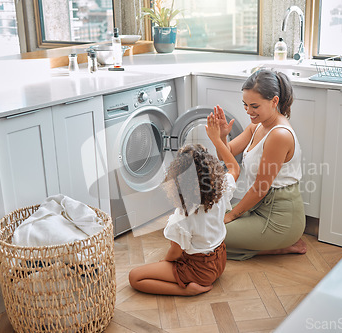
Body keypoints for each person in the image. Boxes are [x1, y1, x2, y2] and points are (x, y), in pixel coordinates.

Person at [128, 114, 240, 296]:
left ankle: (186, 291)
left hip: (200, 271)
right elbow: (234, 167)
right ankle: (191, 281)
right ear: (211, 172)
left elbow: (174, 254)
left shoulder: (181, 218)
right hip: (220, 262)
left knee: (135, 277)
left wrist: (164, 264)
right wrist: (217, 139)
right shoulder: (222, 192)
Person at [212, 69, 307, 261]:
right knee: (203, 223)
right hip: (256, 207)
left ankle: (279, 245)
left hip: (279, 218)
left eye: (254, 106)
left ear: (274, 101)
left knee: (206, 237)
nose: (248, 111)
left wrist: (231, 216)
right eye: (245, 105)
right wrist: (221, 136)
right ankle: (266, 244)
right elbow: (225, 156)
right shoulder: (256, 126)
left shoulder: (279, 135)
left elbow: (261, 188)